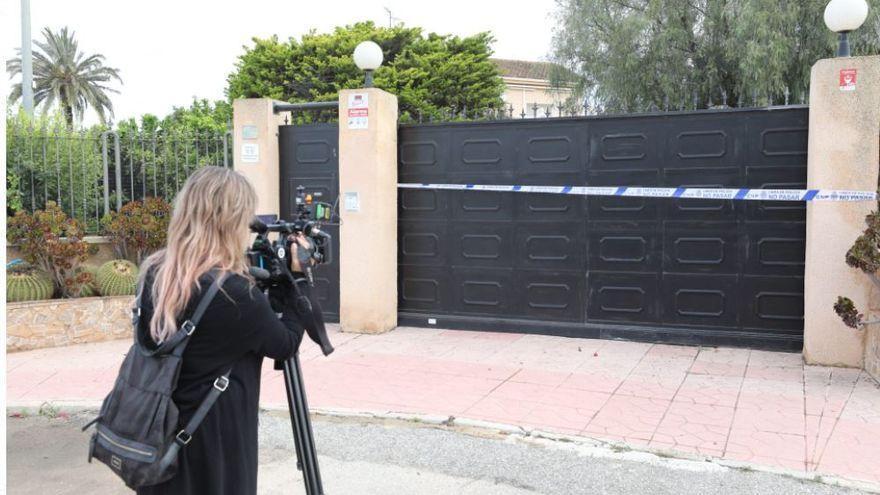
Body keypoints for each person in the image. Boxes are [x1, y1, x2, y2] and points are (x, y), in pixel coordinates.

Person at [135, 166, 306, 495]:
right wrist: (295, 282)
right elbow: (284, 343)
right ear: (230, 221)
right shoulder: (234, 294)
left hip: (158, 437)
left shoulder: (156, 273)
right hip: (214, 443)